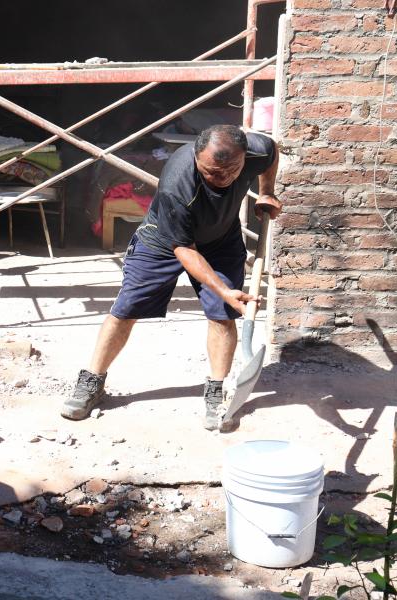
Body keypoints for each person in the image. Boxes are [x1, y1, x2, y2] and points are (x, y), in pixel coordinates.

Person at [61, 125, 281, 430]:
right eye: (211, 172)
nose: (222, 179)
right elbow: (185, 250)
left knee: (222, 316)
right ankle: (92, 381)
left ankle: (216, 391)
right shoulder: (177, 184)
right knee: (126, 309)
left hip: (221, 239)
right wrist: (223, 289)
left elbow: (271, 153)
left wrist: (267, 192)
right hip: (165, 242)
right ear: (196, 158)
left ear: (244, 156)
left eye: (231, 170)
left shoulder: (257, 149)